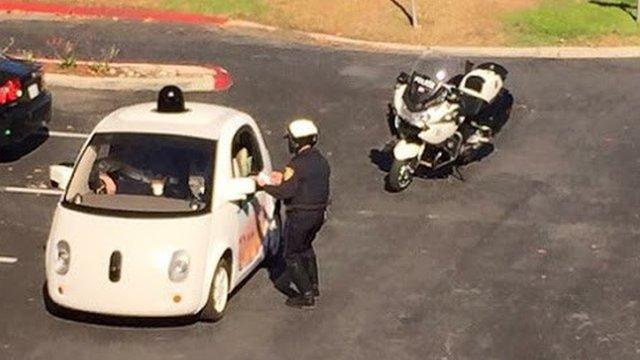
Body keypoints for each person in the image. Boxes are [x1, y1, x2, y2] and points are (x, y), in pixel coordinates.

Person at [254, 119, 330, 309]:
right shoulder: (321, 161)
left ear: (295, 142)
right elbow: (304, 183)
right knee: (305, 247)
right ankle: (314, 284)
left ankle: (306, 294)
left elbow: (286, 192)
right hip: (318, 214)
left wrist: (264, 185)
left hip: (300, 217)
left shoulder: (296, 164)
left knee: (291, 254)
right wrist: (282, 179)